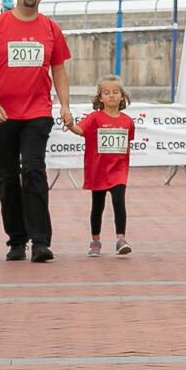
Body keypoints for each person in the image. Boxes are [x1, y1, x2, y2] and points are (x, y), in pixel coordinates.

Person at [0, 0, 73, 262]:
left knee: (33, 169)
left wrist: (65, 105)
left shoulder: (51, 29)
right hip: (1, 114)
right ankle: (17, 240)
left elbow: (59, 70)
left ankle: (41, 241)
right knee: (7, 177)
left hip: (37, 113)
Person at [67, 75, 134, 257]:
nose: (111, 95)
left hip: (118, 170)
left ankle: (121, 239)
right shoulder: (94, 118)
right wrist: (69, 123)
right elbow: (80, 130)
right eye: (106, 92)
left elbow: (128, 141)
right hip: (98, 170)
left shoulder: (128, 121)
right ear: (100, 98)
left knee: (119, 201)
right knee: (98, 207)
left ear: (122, 96)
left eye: (115, 92)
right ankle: (95, 241)